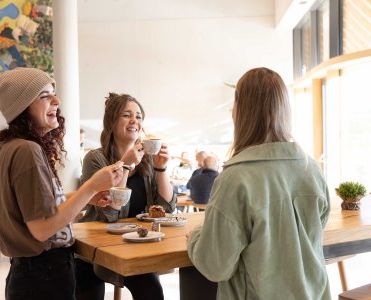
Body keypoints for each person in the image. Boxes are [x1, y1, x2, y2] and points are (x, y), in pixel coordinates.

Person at [186, 67, 331, 299]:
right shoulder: (311, 169)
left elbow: (215, 265)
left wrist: (196, 236)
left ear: (241, 111)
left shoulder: (236, 178)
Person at [0, 67, 124, 300]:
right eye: (44, 96)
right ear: (22, 107)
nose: (56, 100)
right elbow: (42, 229)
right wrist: (90, 186)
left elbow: (42, 210)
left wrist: (86, 198)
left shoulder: (13, 146)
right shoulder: (27, 150)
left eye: (53, 93)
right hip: (44, 276)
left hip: (32, 273)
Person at [77, 92, 177, 300]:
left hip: (134, 246)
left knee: (152, 292)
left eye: (139, 116)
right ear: (112, 122)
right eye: (127, 115)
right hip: (95, 249)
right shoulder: (95, 159)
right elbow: (111, 214)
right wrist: (125, 164)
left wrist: (161, 168)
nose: (134, 121)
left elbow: (166, 209)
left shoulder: (147, 161)